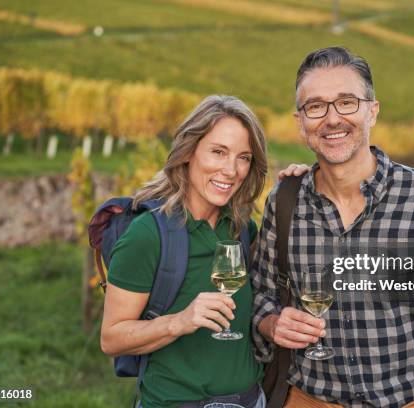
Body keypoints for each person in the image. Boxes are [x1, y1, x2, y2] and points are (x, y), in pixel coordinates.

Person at [251, 47, 414, 407]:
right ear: (301, 122)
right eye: (316, 106)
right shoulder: (284, 202)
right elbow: (259, 294)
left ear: (372, 111)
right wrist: (271, 323)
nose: (332, 119)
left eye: (347, 102)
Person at [100, 95, 306, 408]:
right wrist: (179, 321)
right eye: (218, 152)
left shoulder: (240, 227)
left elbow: (276, 274)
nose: (231, 170)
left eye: (244, 157)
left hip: (251, 401)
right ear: (188, 152)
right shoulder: (147, 234)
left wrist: (302, 189)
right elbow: (111, 338)